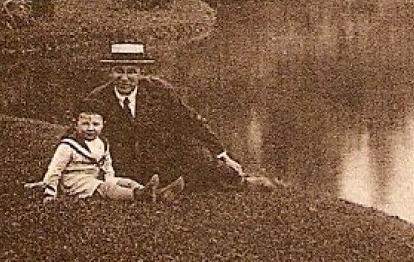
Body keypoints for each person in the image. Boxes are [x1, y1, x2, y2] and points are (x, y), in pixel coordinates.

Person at [81, 40, 276, 192]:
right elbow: (79, 133)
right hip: (121, 162)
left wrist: (222, 154)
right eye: (118, 71)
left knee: (197, 156)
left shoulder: (158, 90)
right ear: (110, 72)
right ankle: (160, 190)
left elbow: (190, 120)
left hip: (159, 155)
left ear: (142, 72)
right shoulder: (97, 98)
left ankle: (238, 182)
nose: (124, 78)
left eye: (131, 72)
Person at [26, 107, 185, 203]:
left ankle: (154, 193)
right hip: (75, 182)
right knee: (107, 188)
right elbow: (54, 170)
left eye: (95, 124)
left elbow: (107, 166)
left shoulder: (102, 143)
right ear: (76, 125)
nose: (90, 128)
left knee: (126, 181)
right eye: (85, 124)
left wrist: (114, 180)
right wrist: (50, 193)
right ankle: (141, 195)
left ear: (103, 125)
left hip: (96, 177)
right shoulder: (68, 145)